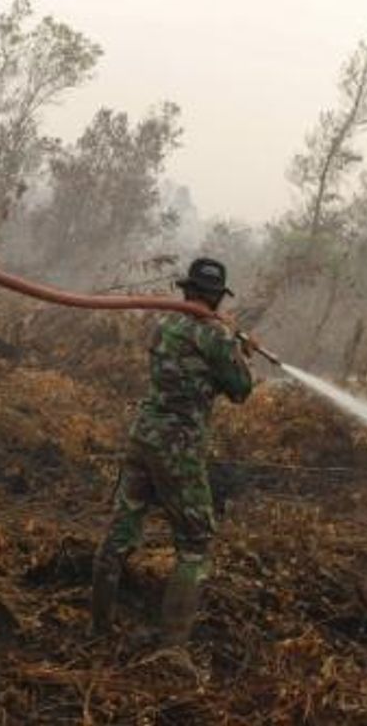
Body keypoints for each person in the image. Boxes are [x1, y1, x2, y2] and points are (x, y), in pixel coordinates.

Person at [91, 257, 254, 650]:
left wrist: (230, 342)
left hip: (143, 436)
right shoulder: (215, 336)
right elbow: (240, 389)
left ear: (187, 291)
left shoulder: (166, 325)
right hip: (178, 448)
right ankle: (172, 650)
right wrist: (240, 350)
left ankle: (98, 631)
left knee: (120, 531)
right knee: (196, 543)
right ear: (216, 298)